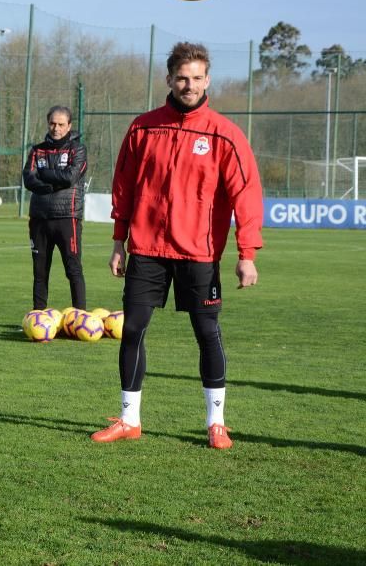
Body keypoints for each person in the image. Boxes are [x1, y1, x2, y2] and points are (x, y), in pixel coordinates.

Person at [92, 41, 263, 450]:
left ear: (208, 80)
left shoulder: (224, 134)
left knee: (207, 333)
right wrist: (119, 241)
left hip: (198, 254)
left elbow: (247, 194)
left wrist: (247, 254)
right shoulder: (144, 127)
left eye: (197, 78)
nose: (189, 85)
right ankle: (129, 419)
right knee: (132, 329)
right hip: (147, 248)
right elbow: (124, 188)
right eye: (182, 78)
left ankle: (216, 422)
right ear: (169, 79)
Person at [21, 105, 88, 310]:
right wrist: (51, 183)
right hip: (39, 218)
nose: (55, 128)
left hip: (67, 217)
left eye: (60, 124)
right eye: (52, 123)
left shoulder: (78, 149)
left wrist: (44, 175)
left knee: (73, 269)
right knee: (40, 271)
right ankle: (38, 316)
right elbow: (28, 178)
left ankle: (80, 317)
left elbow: (69, 178)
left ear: (69, 126)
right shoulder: (37, 150)